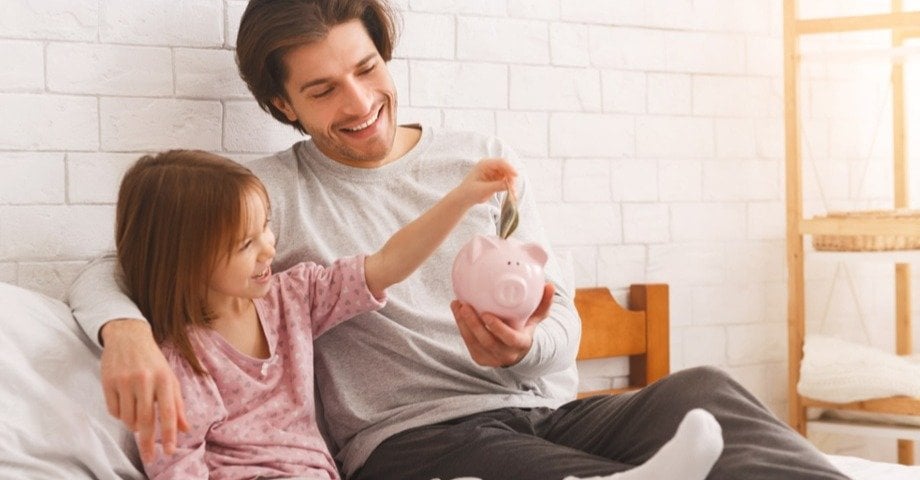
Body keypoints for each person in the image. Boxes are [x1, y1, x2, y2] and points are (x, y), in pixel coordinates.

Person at [68, 1, 849, 479]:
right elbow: (132, 260)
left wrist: (522, 351)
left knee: (701, 391)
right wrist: (127, 332)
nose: (361, 102)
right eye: (322, 90)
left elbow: (562, 321)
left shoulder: (476, 163)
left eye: (367, 69)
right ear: (282, 103)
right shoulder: (266, 197)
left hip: (546, 408)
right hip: (415, 444)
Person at [114, 150, 517, 478]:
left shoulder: (292, 297)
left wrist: (463, 197)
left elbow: (388, 263)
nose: (269, 248)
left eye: (266, 227)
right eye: (245, 244)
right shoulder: (181, 360)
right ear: (187, 262)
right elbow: (177, 467)